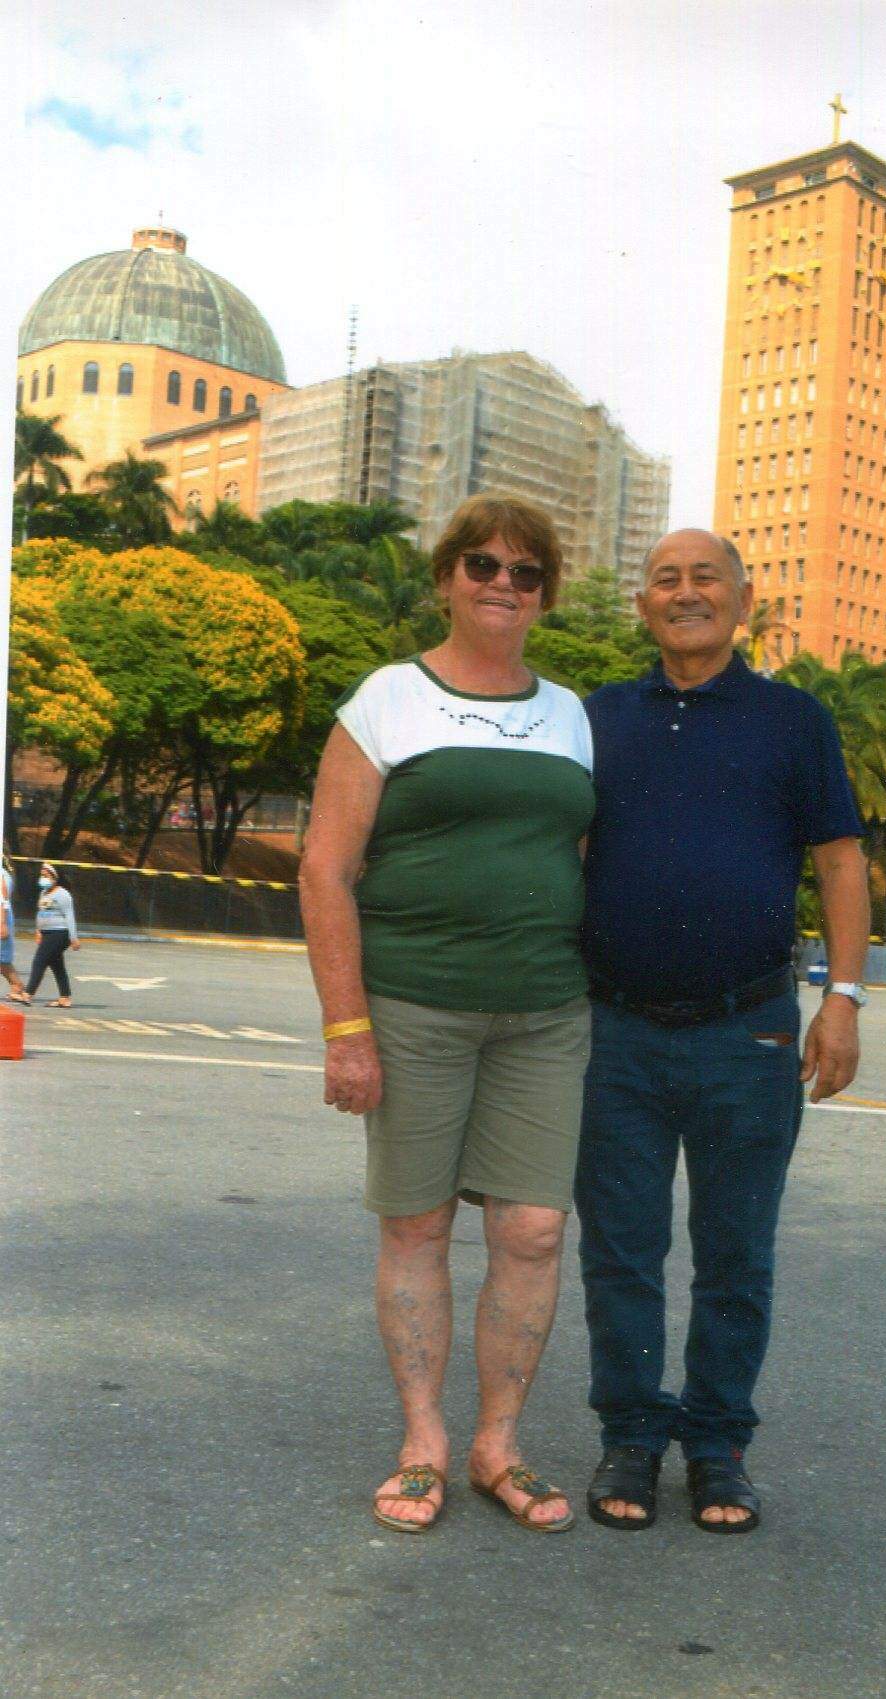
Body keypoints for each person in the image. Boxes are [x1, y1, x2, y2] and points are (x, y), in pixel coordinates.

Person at [299, 495, 595, 1537]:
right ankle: (424, 1439)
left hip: (546, 1012)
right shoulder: (386, 698)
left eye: (525, 570)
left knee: (534, 1227)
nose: (502, 583)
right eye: (481, 564)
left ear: (545, 593)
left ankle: (496, 1445)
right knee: (418, 1223)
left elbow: (585, 858)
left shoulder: (571, 713)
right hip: (414, 1004)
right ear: (445, 579)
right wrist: (347, 1027)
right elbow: (326, 869)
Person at [575, 528, 869, 1534]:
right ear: (643, 605)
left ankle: (716, 1444)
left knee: (736, 1253)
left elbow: (839, 862)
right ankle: (629, 1432)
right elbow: (560, 850)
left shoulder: (795, 721)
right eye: (665, 579)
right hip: (611, 1028)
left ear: (743, 602)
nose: (685, 592)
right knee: (620, 1248)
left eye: (706, 578)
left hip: (749, 1031)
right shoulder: (599, 717)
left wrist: (845, 997)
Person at [14, 862, 81, 1007]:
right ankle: (65, 997)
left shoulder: (63, 894)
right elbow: (41, 913)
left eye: (46, 876)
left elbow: (69, 916)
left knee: (40, 961)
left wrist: (74, 938)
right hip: (47, 934)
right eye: (41, 875)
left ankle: (28, 994)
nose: (42, 878)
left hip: (60, 933)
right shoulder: (43, 893)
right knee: (57, 965)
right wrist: (38, 930)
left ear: (54, 877)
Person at [1, 854, 28, 1000]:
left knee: (2, 960)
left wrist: (2, 923)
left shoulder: (1, 875)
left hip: (1, 918)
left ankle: (17, 984)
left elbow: (2, 901)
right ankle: (16, 985)